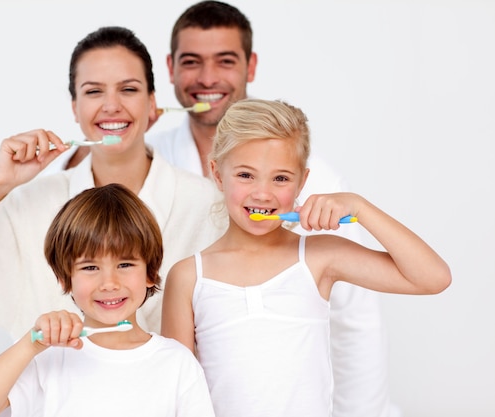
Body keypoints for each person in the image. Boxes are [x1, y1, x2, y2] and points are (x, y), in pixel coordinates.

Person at [144, 2, 400, 416]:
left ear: (251, 65)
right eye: (192, 62)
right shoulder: (152, 168)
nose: (207, 78)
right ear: (171, 68)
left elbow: (355, 318)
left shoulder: (321, 185)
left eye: (225, 60)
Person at [0, 26, 225, 341]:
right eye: (94, 91)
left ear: (152, 104)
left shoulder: (205, 204)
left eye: (128, 89)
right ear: (74, 107)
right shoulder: (29, 207)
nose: (111, 105)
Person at [161, 98, 451, 417]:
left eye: (281, 178)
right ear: (217, 174)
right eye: (245, 175)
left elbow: (433, 278)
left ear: (302, 181)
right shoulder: (188, 276)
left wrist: (360, 207)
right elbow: (176, 391)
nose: (263, 193)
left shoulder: (318, 256)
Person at [0, 184, 216, 417]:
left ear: (150, 273)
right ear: (64, 278)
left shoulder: (176, 363)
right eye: (90, 268)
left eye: (125, 264)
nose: (109, 283)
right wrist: (31, 343)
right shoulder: (47, 356)